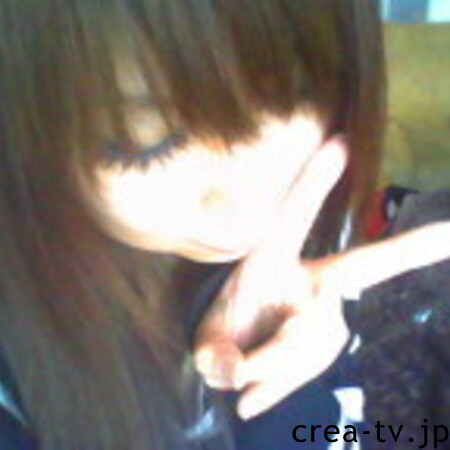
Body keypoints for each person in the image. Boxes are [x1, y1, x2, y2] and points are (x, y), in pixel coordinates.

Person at [0, 0, 448, 449]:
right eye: (146, 143)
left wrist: (283, 389)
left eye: (293, 94)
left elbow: (343, 430)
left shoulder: (306, 235)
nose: (248, 205)